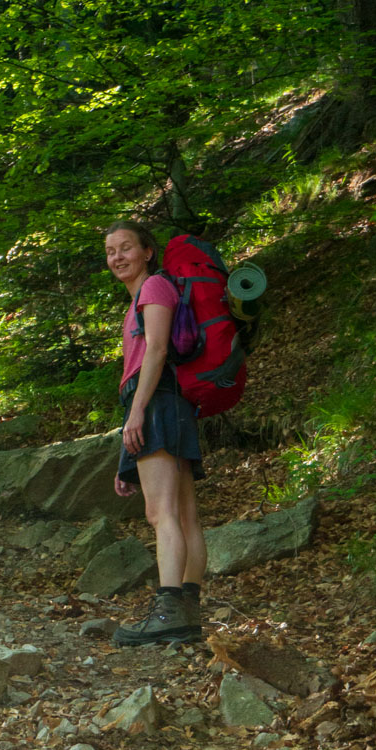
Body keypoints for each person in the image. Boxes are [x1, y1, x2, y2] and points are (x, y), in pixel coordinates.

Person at [104, 220, 207, 645]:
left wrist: (138, 412)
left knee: (161, 512)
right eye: (110, 251)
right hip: (165, 403)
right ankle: (186, 611)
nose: (117, 257)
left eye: (126, 247)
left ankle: (169, 610)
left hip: (158, 401)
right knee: (182, 514)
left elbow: (159, 350)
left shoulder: (154, 289)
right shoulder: (145, 296)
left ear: (148, 251)